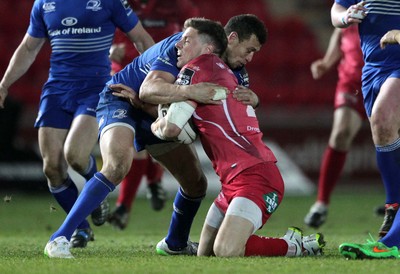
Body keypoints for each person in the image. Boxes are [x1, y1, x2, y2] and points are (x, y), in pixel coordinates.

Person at [42, 14, 263, 259]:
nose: (250, 58)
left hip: (155, 113)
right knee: (117, 166)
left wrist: (255, 99)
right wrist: (190, 92)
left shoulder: (235, 70)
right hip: (122, 99)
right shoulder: (181, 47)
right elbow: (148, 89)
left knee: (195, 183)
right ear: (232, 38)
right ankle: (59, 238)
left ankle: (175, 244)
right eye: (249, 49)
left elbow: (230, 111)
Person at [150, 21, 326, 258]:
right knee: (206, 253)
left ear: (207, 46)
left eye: (187, 40)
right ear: (230, 38)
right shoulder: (221, 71)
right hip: (232, 181)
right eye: (249, 50)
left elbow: (170, 129)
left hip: (256, 177)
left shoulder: (200, 68)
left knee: (226, 250)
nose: (178, 45)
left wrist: (154, 122)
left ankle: (294, 245)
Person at [0, 0, 154, 249]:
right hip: (57, 91)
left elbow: (142, 40)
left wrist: (154, 78)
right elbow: (29, 47)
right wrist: (5, 83)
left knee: (76, 156)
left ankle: (95, 188)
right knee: (52, 168)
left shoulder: (108, 2)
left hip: (95, 89)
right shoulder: (44, 4)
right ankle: (82, 228)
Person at [107, 0, 200, 229]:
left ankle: (149, 184)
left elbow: (199, 31)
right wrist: (108, 52)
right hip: (127, 78)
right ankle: (126, 205)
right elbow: (98, 35)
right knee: (138, 144)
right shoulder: (121, 5)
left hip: (164, 79)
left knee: (157, 131)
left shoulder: (179, 6)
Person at [330, 1, 400, 259]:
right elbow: (336, 11)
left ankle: (393, 241)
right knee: (383, 131)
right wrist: (345, 16)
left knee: (383, 117)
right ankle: (394, 206)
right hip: (373, 68)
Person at [304, 25, 366, 228]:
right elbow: (340, 26)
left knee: (392, 137)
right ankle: (321, 203)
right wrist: (328, 60)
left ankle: (393, 201)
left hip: (388, 77)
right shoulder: (351, 4)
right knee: (341, 133)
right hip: (353, 82)